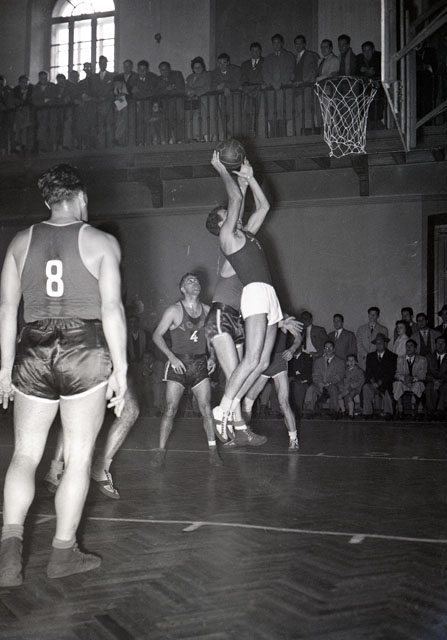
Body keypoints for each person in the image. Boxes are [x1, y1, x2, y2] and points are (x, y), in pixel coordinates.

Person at [0, 164, 127, 587]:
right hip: (83, 347)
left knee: (25, 455)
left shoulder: (20, 242)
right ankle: (62, 553)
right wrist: (122, 370)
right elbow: (112, 309)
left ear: (48, 200)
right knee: (78, 457)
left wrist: (4, 369)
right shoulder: (101, 242)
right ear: (82, 197)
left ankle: (8, 554)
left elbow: (6, 310)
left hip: (33, 345)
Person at [207, 152, 297, 440]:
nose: (233, 215)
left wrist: (250, 178)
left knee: (262, 362)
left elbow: (264, 206)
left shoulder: (246, 234)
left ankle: (232, 408)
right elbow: (235, 199)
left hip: (271, 295)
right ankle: (222, 410)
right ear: (221, 226)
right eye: (227, 216)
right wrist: (222, 170)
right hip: (255, 293)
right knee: (251, 358)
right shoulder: (229, 239)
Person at [152, 273, 221, 467]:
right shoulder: (174, 310)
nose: (195, 283)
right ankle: (160, 451)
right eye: (190, 281)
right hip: (179, 363)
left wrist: (213, 357)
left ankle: (213, 452)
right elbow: (157, 335)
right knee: (170, 409)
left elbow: (211, 337)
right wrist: (171, 357)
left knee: (206, 408)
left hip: (199, 364)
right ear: (182, 289)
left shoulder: (207, 310)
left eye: (197, 280)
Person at [242, 317, 301, 450]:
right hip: (262, 360)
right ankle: (242, 433)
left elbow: (298, 337)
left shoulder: (284, 316)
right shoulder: (261, 314)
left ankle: (293, 438)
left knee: (283, 403)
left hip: (278, 361)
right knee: (247, 401)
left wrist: (292, 350)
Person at [262, 33, 295, 137]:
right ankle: (273, 140)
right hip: (272, 92)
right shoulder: (268, 58)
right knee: (272, 117)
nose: (276, 45)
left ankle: (283, 141)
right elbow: (265, 73)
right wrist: (272, 83)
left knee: (283, 117)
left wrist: (281, 82)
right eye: (274, 43)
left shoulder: (289, 56)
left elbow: (291, 71)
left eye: (278, 42)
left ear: (282, 43)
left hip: (283, 91)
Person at [304, 340, 345, 418]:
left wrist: (330, 382)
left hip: (334, 384)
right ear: (323, 350)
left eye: (330, 347)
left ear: (334, 349)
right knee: (312, 388)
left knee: (333, 389)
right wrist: (320, 383)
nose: (328, 349)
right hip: (320, 384)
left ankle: (334, 411)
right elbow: (315, 375)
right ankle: (309, 410)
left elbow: (340, 375)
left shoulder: (340, 362)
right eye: (326, 347)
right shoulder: (318, 361)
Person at [362, 333, 397, 420]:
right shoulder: (370, 356)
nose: (378, 345)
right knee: (366, 387)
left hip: (385, 383)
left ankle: (388, 412)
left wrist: (380, 382)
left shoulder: (392, 356)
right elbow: (368, 372)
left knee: (388, 389)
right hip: (373, 383)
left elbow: (391, 373)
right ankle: (367, 412)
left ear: (385, 343)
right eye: (377, 343)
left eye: (380, 343)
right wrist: (373, 382)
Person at [393, 339, 426, 418]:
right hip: (404, 383)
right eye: (407, 346)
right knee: (397, 384)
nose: (409, 348)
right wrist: (404, 378)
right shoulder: (400, 359)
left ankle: (419, 410)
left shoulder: (422, 359)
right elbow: (397, 374)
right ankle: (400, 409)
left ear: (415, 348)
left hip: (415, 382)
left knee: (419, 385)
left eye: (411, 346)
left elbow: (423, 374)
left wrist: (412, 379)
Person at [425, 336, 447, 420]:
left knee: (445, 388)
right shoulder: (429, 358)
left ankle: (440, 411)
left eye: (442, 343)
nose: (440, 345)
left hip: (444, 381)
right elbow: (426, 373)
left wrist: (440, 381)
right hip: (432, 381)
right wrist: (434, 381)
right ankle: (431, 411)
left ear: (446, 345)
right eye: (438, 343)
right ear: (435, 345)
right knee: (429, 387)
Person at [338, 354, 364, 419]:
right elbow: (343, 379)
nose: (351, 362)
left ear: (356, 362)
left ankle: (351, 414)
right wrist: (343, 386)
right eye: (349, 361)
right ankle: (343, 411)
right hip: (347, 388)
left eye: (353, 360)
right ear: (347, 362)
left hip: (355, 388)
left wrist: (352, 385)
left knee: (350, 397)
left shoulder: (359, 371)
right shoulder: (346, 370)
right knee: (339, 396)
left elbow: (361, 380)